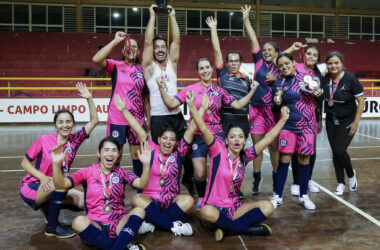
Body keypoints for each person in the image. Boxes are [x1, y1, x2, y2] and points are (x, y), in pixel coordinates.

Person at [187, 89, 290, 241]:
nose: (237, 140)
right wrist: (192, 106)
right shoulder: (217, 150)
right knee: (205, 211)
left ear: (244, 141)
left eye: (240, 137)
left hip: (234, 208)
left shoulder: (246, 155)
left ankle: (227, 229)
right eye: (232, 137)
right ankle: (247, 230)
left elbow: (267, 139)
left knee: (268, 207)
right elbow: (202, 127)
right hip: (214, 207)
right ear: (227, 140)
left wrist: (283, 120)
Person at [157, 57, 258, 208]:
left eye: (207, 67)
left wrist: (253, 90)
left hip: (217, 135)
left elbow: (237, 105)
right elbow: (171, 104)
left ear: (212, 69)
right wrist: (160, 87)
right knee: (199, 173)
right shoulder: (190, 90)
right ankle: (202, 197)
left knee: (223, 169)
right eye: (201, 68)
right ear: (197, 71)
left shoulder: (220, 91)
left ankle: (222, 195)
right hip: (197, 135)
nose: (205, 71)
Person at [113, 93, 208, 236]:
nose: (168, 142)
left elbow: (191, 128)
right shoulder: (151, 149)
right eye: (165, 138)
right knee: (137, 199)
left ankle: (152, 223)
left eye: (172, 139)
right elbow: (139, 129)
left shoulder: (179, 152)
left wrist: (201, 109)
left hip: (172, 201)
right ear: (159, 139)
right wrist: (123, 111)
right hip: (150, 200)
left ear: (176, 143)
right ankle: (172, 225)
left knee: (188, 200)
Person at [20, 82, 99, 238]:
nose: (64, 125)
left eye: (68, 122)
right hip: (33, 186)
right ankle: (52, 227)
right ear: (56, 124)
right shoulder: (44, 140)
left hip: (54, 185)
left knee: (85, 201)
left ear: (72, 124)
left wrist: (89, 99)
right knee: (61, 184)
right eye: (60, 122)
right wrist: (42, 177)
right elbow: (24, 162)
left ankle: (49, 208)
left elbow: (94, 121)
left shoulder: (75, 140)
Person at [51, 137, 150, 250]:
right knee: (78, 222)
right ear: (99, 153)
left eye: (114, 150)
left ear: (118, 154)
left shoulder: (122, 173)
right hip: (96, 224)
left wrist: (146, 165)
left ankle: (115, 247)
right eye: (106, 150)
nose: (110, 153)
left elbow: (142, 184)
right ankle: (122, 246)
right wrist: (55, 164)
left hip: (119, 223)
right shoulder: (87, 172)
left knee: (139, 211)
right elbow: (61, 185)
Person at [142, 4, 194, 194]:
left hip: (176, 115)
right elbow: (147, 43)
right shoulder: (149, 68)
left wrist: (172, 16)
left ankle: (187, 180)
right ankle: (160, 186)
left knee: (186, 150)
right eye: (157, 47)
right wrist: (152, 16)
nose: (160, 49)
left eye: (163, 46)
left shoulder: (172, 64)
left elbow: (177, 42)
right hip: (158, 117)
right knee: (160, 153)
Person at [92, 31, 149, 179]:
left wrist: (148, 118)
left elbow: (146, 97)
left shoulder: (143, 70)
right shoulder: (116, 66)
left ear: (139, 50)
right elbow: (96, 58)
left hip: (137, 118)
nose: (131, 48)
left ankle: (139, 185)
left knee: (137, 152)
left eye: (135, 46)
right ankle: (112, 181)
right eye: (128, 46)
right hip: (117, 117)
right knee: (115, 150)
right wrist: (116, 41)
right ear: (123, 50)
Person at [270, 53, 323, 210]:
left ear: (293, 63)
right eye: (281, 65)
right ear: (278, 68)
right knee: (285, 158)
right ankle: (278, 196)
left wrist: (320, 94)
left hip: (307, 126)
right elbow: (274, 109)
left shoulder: (307, 78)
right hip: (287, 126)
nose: (284, 67)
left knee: (305, 159)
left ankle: (303, 196)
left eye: (287, 63)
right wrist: (276, 102)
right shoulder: (278, 84)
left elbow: (319, 98)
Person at [241, 5, 282, 194]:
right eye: (264, 49)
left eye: (269, 50)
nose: (265, 51)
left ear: (276, 53)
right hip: (256, 110)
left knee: (274, 147)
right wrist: (247, 19)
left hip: (272, 112)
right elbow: (253, 39)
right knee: (257, 147)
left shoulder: (282, 68)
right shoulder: (258, 61)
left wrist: (278, 79)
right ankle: (257, 179)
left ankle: (276, 180)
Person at [320, 51, 364, 195]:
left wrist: (356, 123)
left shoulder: (351, 79)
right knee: (336, 152)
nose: (333, 66)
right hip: (331, 121)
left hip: (347, 121)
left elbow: (361, 101)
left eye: (336, 63)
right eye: (330, 63)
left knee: (339, 150)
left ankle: (351, 175)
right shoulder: (324, 80)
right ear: (326, 65)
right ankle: (340, 183)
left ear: (341, 64)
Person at [284, 42, 323, 195]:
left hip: (310, 118)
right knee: (295, 150)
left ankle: (307, 180)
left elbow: (320, 100)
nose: (311, 56)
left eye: (314, 55)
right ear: (304, 55)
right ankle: (296, 182)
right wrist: (292, 48)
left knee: (310, 150)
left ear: (317, 59)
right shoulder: (296, 67)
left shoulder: (318, 76)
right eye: (309, 53)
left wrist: (319, 120)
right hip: (294, 116)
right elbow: (280, 59)